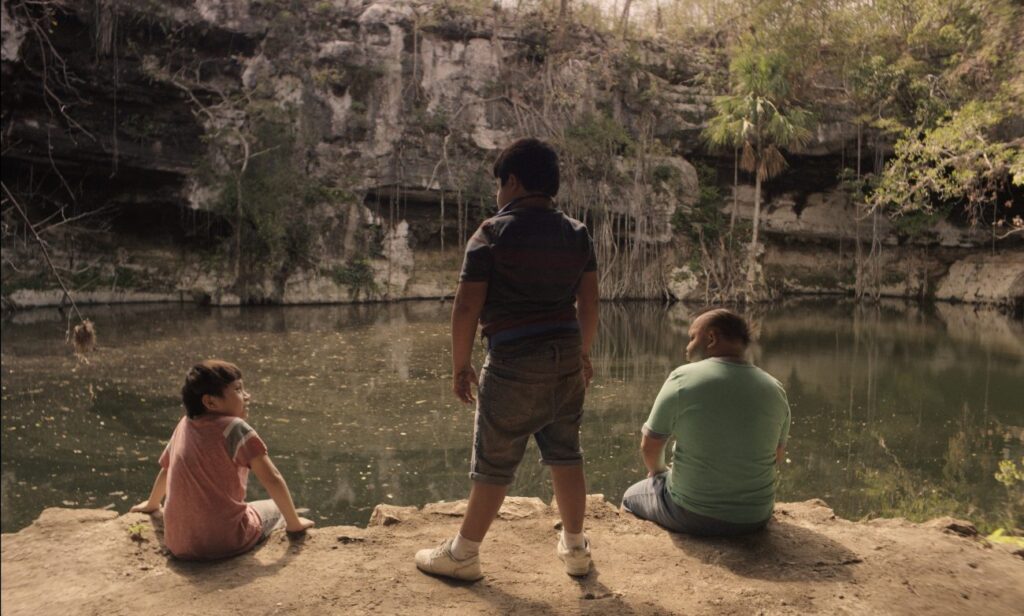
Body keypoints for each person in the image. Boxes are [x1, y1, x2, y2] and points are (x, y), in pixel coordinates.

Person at [415, 138, 600, 581]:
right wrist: (583, 353)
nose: (497, 195)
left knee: (494, 462)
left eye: (498, 185)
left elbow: (466, 306)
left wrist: (460, 365)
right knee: (566, 453)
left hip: (513, 360)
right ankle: (576, 549)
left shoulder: (491, 233)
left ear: (512, 182)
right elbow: (590, 304)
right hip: (565, 358)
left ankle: (463, 554)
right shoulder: (577, 233)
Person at [621, 308, 790, 536]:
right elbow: (776, 456)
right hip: (755, 517)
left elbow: (649, 446)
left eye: (692, 337)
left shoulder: (683, 379)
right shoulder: (775, 389)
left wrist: (659, 472)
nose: (687, 346)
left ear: (711, 338)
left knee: (631, 497)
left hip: (692, 515)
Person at [131, 360, 314, 560]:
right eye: (238, 389)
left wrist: (152, 504)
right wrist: (295, 524)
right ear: (210, 402)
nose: (247, 395)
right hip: (224, 543)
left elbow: (167, 469)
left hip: (179, 544)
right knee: (277, 508)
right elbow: (272, 478)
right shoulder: (235, 428)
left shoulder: (184, 424)